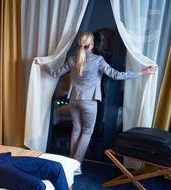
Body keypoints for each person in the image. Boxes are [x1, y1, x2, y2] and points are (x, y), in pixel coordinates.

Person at [33, 32, 157, 166]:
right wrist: (141, 72)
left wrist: (41, 64)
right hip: (89, 101)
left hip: (74, 100)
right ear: (91, 44)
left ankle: (71, 161)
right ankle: (75, 164)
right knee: (86, 132)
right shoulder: (98, 60)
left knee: (76, 129)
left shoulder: (72, 59)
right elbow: (115, 75)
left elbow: (55, 73)